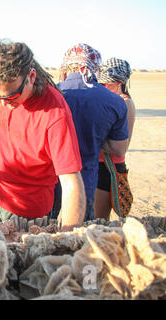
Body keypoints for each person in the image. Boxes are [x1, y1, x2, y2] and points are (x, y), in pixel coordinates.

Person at [0, 41, 86, 231]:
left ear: (31, 76)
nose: (3, 104)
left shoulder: (54, 112)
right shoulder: (2, 94)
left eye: (11, 97)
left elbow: (71, 183)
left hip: (30, 213)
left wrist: (68, 238)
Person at [55, 44, 130, 221]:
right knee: (81, 236)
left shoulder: (52, 94)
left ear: (66, 65)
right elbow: (119, 149)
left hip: (50, 180)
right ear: (96, 67)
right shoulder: (114, 101)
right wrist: (97, 137)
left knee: (43, 233)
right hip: (85, 181)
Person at [94, 58, 135, 220]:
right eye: (100, 83)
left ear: (119, 83)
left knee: (98, 222)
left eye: (106, 84)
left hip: (108, 168)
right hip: (98, 165)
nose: (102, 88)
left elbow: (121, 148)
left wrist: (92, 139)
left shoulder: (125, 103)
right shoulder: (112, 101)